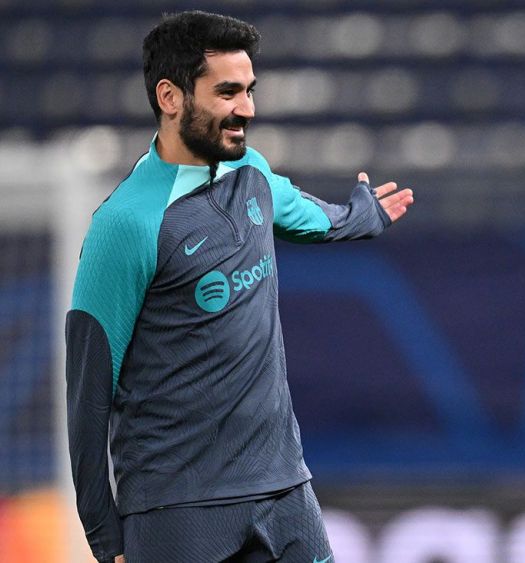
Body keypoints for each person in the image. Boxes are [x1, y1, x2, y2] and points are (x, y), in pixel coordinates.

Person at [65, 11, 412, 563]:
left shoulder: (251, 172)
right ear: (170, 97)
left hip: (284, 491)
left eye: (250, 90)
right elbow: (87, 398)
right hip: (176, 511)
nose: (247, 108)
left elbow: (316, 218)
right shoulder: (124, 225)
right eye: (228, 92)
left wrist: (363, 214)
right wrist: (106, 540)